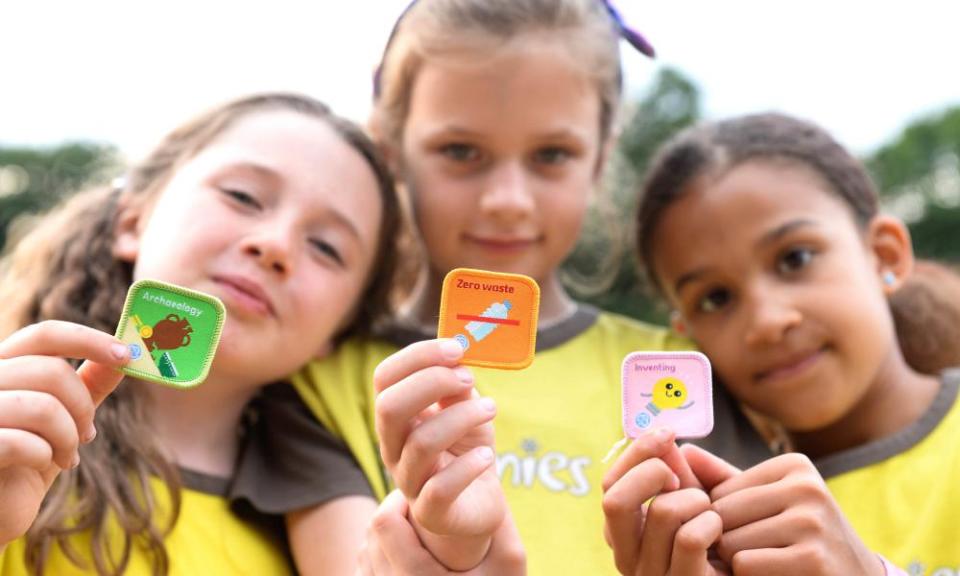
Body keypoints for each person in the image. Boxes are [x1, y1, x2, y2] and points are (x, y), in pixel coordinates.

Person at [249, 2, 772, 574]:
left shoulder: (674, 371)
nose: (507, 200)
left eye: (552, 155)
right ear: (390, 149)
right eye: (460, 151)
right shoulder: (319, 381)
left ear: (599, 159)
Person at [0, 92, 435, 575]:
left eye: (327, 248)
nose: (275, 245)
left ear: (338, 332)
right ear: (132, 220)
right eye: (243, 197)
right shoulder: (13, 434)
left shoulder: (351, 530)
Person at [602, 112, 960, 574]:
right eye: (715, 299)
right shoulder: (703, 515)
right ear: (686, 336)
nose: (767, 322)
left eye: (796, 258)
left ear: (884, 254)